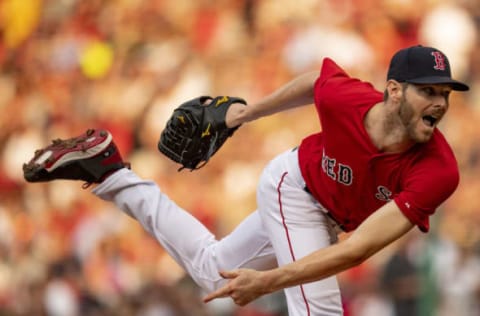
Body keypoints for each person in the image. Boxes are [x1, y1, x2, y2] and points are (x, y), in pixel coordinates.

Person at [23, 45, 470, 316]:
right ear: (394, 90)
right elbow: (317, 81)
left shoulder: (438, 170)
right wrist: (243, 114)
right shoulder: (350, 100)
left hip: (331, 219)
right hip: (293, 186)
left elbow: (358, 249)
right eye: (428, 91)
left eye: (445, 94)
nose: (440, 102)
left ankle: (110, 172)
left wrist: (269, 281)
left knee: (211, 269)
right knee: (321, 309)